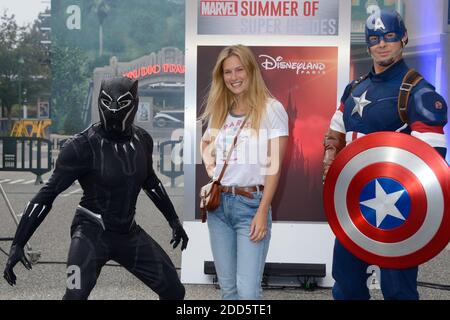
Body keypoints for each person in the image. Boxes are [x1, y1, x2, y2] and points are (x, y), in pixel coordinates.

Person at [3, 77, 189, 300]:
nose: (113, 110)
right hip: (90, 233)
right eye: (107, 101)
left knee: (175, 292)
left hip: (128, 232)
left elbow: (151, 182)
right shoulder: (80, 146)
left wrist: (174, 220)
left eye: (121, 103)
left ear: (135, 103)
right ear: (99, 101)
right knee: (74, 296)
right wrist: (18, 243)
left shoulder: (142, 140)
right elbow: (47, 194)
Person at [323, 9, 447, 300]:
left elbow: (430, 162)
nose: (382, 44)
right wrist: (331, 163)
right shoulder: (354, 89)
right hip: (354, 207)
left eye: (390, 37)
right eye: (375, 38)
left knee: (398, 291)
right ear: (367, 44)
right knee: (347, 285)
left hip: (400, 209)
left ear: (403, 38)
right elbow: (335, 134)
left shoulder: (418, 91)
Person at [200, 45, 288, 300]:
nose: (234, 77)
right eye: (228, 72)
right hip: (219, 209)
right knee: (228, 290)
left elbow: (274, 166)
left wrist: (263, 211)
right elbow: (206, 143)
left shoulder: (272, 109)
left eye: (239, 69)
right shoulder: (220, 110)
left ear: (251, 71)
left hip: (251, 206)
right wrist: (213, 172)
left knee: (248, 292)